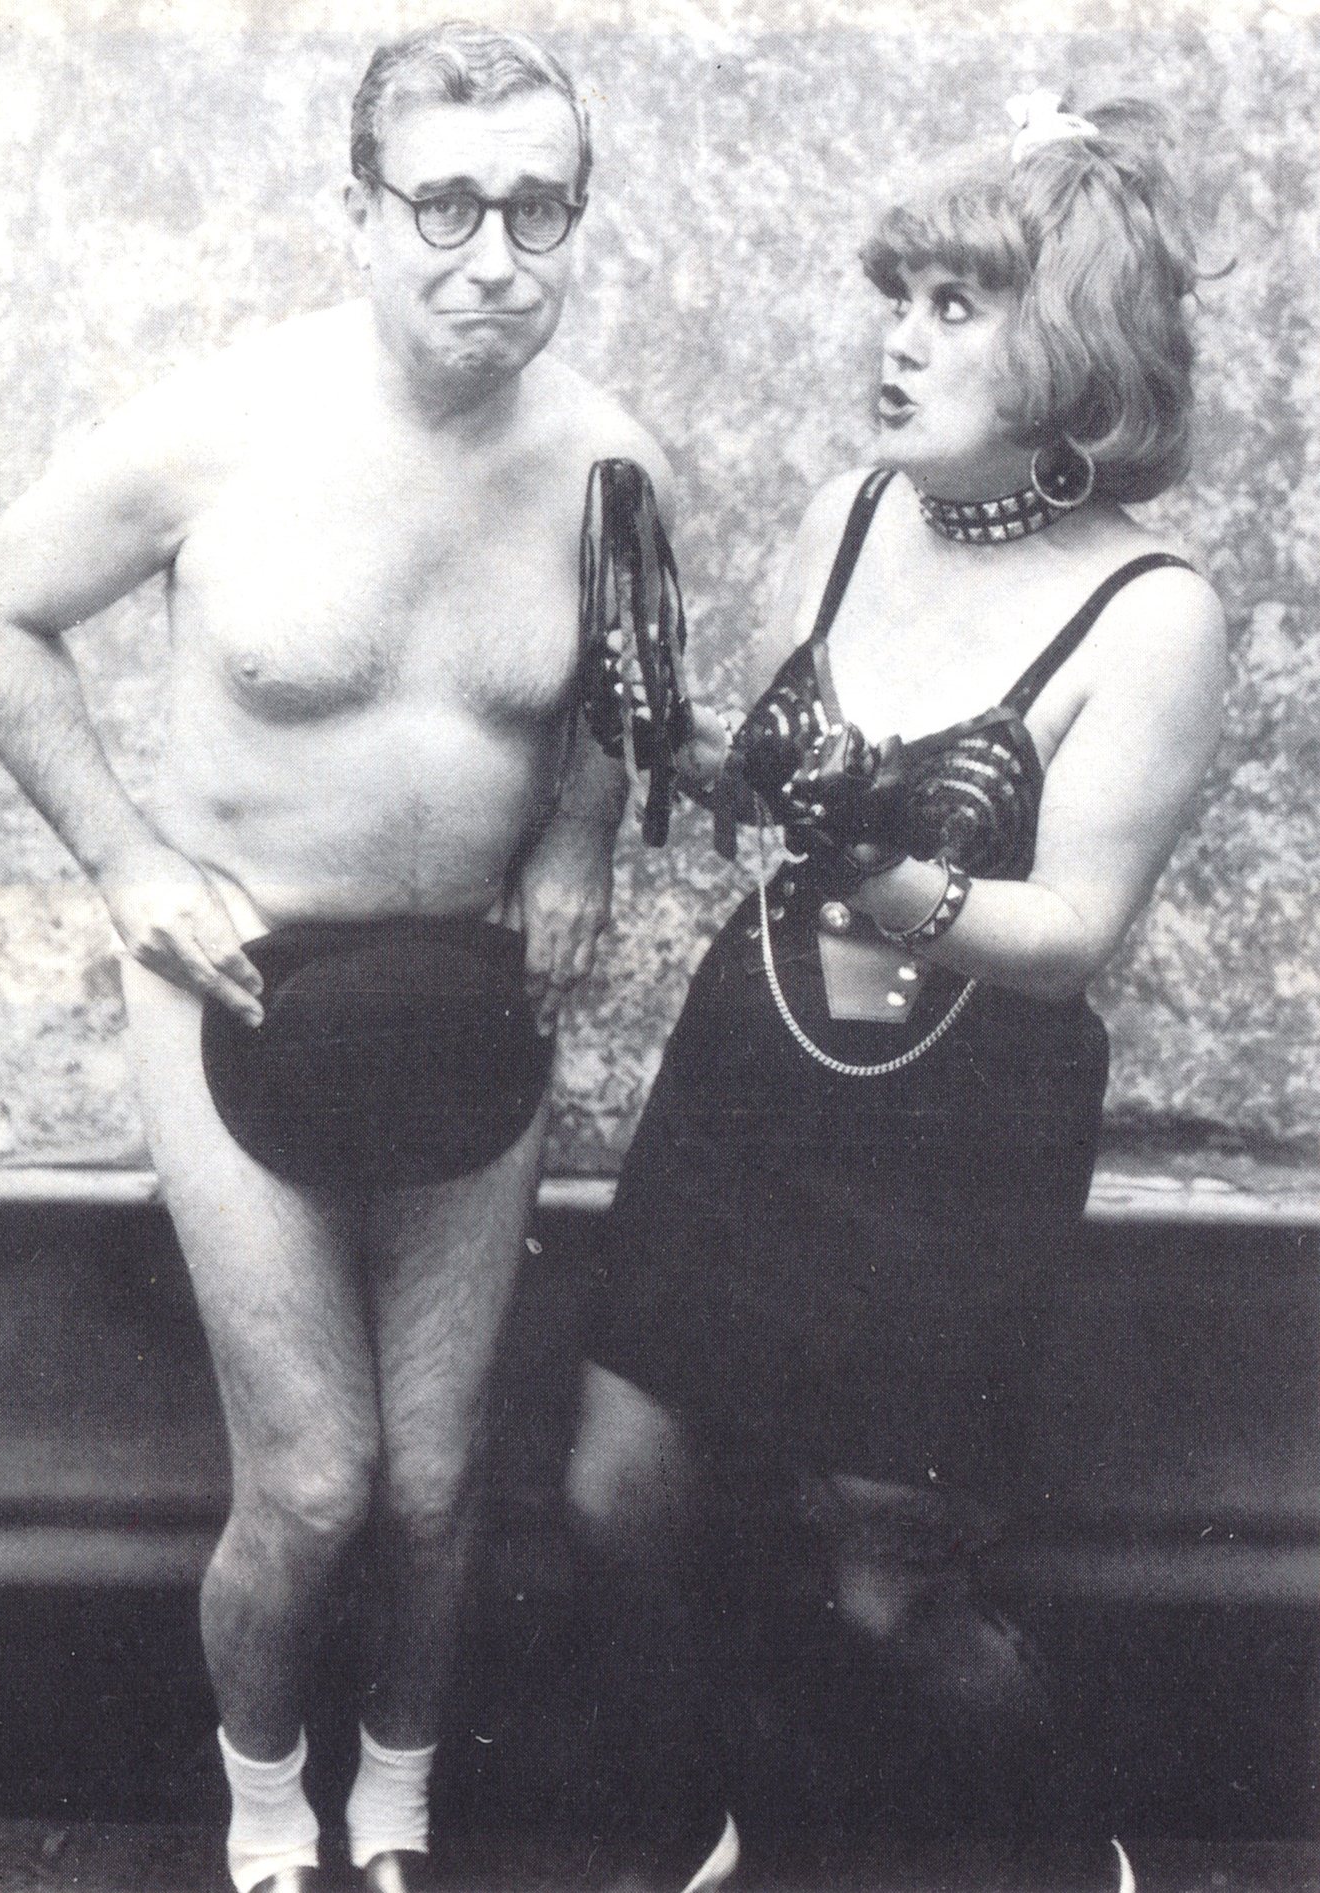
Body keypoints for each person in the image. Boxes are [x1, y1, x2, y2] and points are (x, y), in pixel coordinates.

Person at [0, 24, 672, 1893]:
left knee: (434, 1484)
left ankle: (398, 1808)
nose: (492, 254)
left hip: (470, 999)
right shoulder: (222, 425)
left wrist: (579, 837)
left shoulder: (611, 462)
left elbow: (624, 678)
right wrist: (125, 860)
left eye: (537, 208)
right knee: (318, 1481)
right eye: (446, 204)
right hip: (241, 987)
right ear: (358, 211)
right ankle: (268, 1815)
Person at [567, 91, 1225, 1892]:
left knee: (887, 1576)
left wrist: (855, 856)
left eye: (956, 306)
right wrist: (683, 746)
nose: (899, 340)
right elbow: (774, 785)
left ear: (1071, 344)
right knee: (617, 1490)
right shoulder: (845, 517)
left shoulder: (1151, 611)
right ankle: (690, 1837)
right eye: (897, 298)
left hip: (962, 1117)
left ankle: (1070, 1859)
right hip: (752, 1056)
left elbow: (1070, 929)